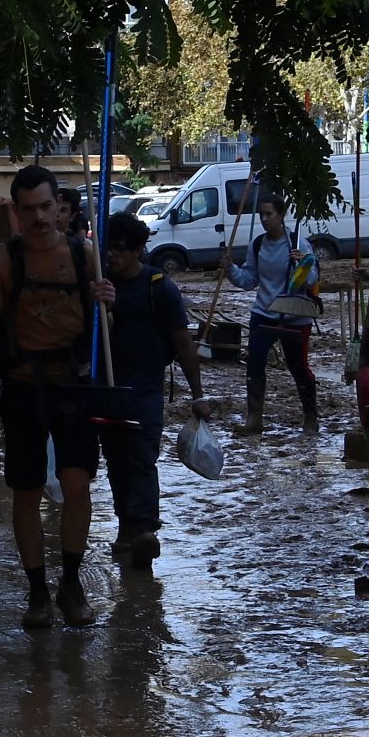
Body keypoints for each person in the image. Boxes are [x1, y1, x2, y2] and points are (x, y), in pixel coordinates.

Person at [0, 164, 118, 630]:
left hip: (73, 385)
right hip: (21, 386)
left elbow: (105, 334)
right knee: (26, 491)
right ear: (16, 212)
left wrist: (105, 304)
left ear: (60, 207)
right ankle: (36, 592)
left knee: (77, 485)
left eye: (46, 207)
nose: (39, 218)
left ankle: (70, 583)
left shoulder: (85, 255)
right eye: (28, 209)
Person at [100, 212, 211, 570]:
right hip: (108, 388)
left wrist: (198, 395)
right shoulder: (100, 286)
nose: (112, 256)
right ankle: (125, 526)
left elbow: (183, 343)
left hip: (146, 388)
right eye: (108, 248)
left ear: (137, 251)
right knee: (116, 460)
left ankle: (145, 528)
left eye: (119, 249)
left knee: (142, 457)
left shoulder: (159, 288)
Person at [229, 190, 321, 431]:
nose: (264, 219)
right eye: (261, 214)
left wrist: (303, 264)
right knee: (254, 364)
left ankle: (311, 416)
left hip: (295, 314)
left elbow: (312, 281)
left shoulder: (299, 243)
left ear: (281, 215)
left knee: (298, 366)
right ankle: (254, 419)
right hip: (264, 312)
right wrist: (229, 269)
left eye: (269, 214)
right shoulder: (257, 244)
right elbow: (249, 279)